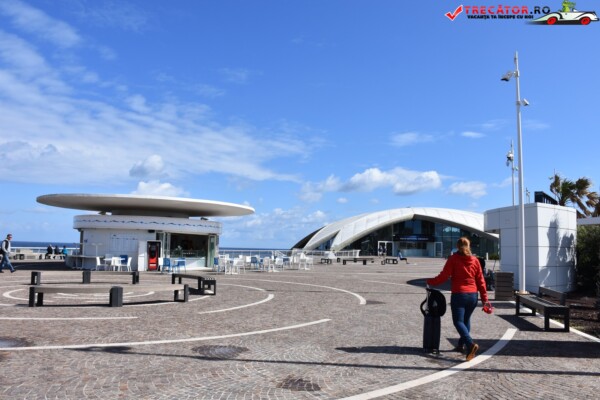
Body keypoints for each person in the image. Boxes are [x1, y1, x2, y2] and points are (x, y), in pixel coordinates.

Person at [426, 237, 488, 361]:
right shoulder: (475, 260)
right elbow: (481, 281)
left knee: (458, 322)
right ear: (469, 246)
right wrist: (484, 299)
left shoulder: (453, 259)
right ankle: (461, 345)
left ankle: (470, 344)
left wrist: (430, 281)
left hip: (459, 295)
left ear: (457, 246)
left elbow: (444, 276)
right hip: (473, 296)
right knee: (466, 320)